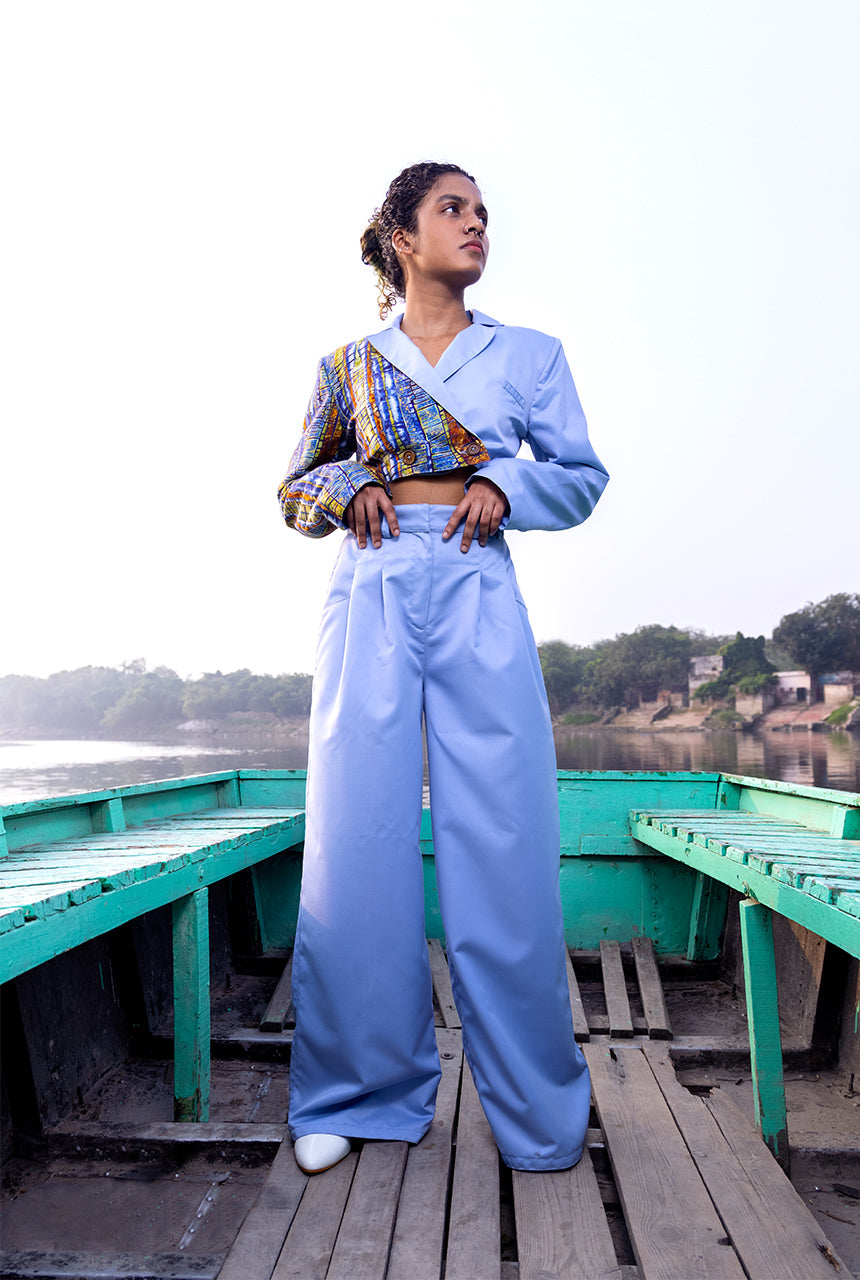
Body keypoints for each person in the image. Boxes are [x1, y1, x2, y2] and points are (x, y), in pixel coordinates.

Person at [278, 161, 609, 1176]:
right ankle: (353, 1092)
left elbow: (579, 474)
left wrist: (505, 485)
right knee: (356, 837)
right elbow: (293, 488)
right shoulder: (347, 365)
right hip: (371, 582)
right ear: (402, 238)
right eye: (452, 210)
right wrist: (346, 486)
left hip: (475, 580)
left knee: (504, 836)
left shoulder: (529, 355)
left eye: (482, 214)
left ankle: (536, 1107)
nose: (475, 226)